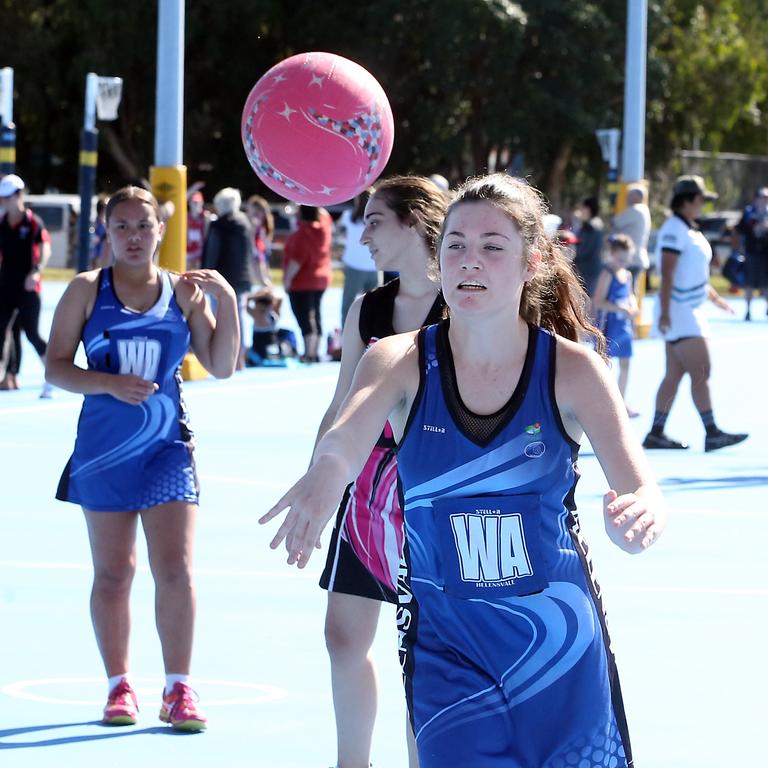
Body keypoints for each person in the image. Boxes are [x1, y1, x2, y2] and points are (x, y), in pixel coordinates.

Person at [261, 173, 666, 768]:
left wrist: (642, 511)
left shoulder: (573, 370)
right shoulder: (397, 359)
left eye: (491, 246)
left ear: (531, 263)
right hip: (447, 649)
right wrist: (326, 474)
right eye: (455, 244)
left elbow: (638, 482)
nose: (469, 261)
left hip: (557, 647)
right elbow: (345, 439)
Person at [45, 185, 239, 731]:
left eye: (143, 226)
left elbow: (222, 364)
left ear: (160, 231)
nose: (133, 236)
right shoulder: (86, 291)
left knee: (174, 569)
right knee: (113, 573)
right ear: (107, 233)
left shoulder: (183, 292)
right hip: (103, 453)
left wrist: (227, 302)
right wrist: (107, 382)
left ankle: (179, 688)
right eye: (122, 226)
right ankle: (119, 686)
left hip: (167, 449)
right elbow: (56, 367)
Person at [315, 176, 448, 768]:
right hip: (368, 494)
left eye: (374, 221)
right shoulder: (367, 307)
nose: (361, 233)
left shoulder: (468, 302)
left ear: (416, 224)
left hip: (438, 498)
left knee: (426, 651)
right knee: (342, 637)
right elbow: (343, 403)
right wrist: (316, 482)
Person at [642, 175, 748, 452]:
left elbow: (694, 274)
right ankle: (712, 432)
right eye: (701, 199)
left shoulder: (689, 229)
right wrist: (665, 313)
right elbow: (667, 273)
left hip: (687, 309)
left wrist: (715, 298)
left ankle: (656, 432)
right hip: (680, 312)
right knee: (702, 370)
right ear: (687, 200)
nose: (703, 205)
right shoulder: (674, 230)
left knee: (674, 375)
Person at [0, 173, 52, 396]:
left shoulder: (33, 223)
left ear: (19, 195)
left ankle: (52, 375)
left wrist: (36, 272)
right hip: (5, 285)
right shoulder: (1, 224)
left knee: (31, 333)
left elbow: (45, 249)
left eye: (9, 197)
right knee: (1, 331)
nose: (5, 201)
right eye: (2, 197)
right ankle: (4, 375)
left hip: (29, 287)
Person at [203, 187, 253, 370]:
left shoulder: (218, 225)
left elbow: (212, 253)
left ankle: (226, 358)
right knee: (239, 316)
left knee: (221, 318)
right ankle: (241, 357)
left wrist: (205, 272)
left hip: (221, 278)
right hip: (242, 277)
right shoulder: (245, 222)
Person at [593, 234, 639, 417]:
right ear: (612, 254)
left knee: (626, 364)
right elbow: (598, 301)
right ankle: (602, 403)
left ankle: (620, 402)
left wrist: (633, 307)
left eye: (626, 260)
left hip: (623, 326)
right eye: (620, 259)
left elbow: (631, 295)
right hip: (608, 325)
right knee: (604, 366)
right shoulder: (607, 274)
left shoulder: (627, 275)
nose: (623, 263)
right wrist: (619, 308)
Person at [283, 205, 332, 363]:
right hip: (320, 278)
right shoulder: (324, 229)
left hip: (303, 281)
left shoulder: (303, 234)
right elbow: (324, 214)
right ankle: (315, 351)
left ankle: (308, 352)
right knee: (315, 314)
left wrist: (287, 279)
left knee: (304, 316)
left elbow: (297, 260)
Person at [339, 190, 379, 328]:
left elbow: (339, 230)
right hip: (373, 266)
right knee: (374, 307)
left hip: (354, 267)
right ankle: (371, 336)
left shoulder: (348, 216)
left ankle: (346, 337)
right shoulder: (376, 220)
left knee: (348, 306)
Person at [611, 185, 651, 296]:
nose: (627, 198)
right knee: (632, 291)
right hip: (638, 258)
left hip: (630, 259)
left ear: (637, 197)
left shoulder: (635, 210)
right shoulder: (644, 210)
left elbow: (615, 222)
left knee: (626, 293)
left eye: (630, 196)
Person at [736, 186, 768, 321]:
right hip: (751, 252)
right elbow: (740, 229)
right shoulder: (749, 212)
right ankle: (748, 310)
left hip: (766, 254)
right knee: (749, 283)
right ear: (757, 199)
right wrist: (753, 226)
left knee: (766, 283)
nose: (764, 201)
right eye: (762, 197)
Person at [572, 195, 604, 300]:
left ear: (588, 209)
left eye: (582, 208)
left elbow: (584, 250)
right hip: (592, 270)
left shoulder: (590, 227)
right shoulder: (597, 224)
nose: (580, 211)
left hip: (586, 271)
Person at [245, 194, 274, 288]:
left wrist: (254, 251)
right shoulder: (262, 222)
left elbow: (252, 238)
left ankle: (270, 297)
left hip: (256, 252)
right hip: (260, 251)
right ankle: (269, 295)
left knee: (262, 280)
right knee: (264, 278)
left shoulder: (255, 221)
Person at [186, 189, 212, 271]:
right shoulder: (186, 217)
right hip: (188, 250)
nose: (196, 205)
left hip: (200, 251)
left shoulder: (206, 217)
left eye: (198, 203)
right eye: (194, 202)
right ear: (190, 203)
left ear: (202, 203)